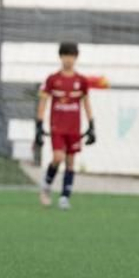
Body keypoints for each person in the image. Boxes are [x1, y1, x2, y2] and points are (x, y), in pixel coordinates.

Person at [35, 42, 96, 210]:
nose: (68, 59)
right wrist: (39, 125)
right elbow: (43, 102)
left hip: (74, 128)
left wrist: (92, 125)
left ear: (76, 58)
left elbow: (86, 103)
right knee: (57, 158)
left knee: (70, 162)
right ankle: (46, 187)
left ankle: (64, 197)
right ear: (60, 57)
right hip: (57, 127)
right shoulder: (53, 80)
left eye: (71, 56)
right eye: (65, 55)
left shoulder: (81, 81)